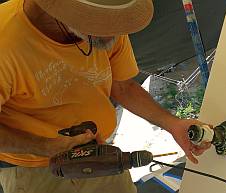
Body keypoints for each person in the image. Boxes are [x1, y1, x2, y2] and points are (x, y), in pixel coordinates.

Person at [0, 0, 211, 192]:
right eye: (102, 24)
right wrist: (45, 146)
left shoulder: (108, 21)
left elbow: (123, 86)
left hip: (96, 154)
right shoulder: (6, 41)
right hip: (32, 170)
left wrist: (172, 124)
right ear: (65, 12)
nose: (115, 35)